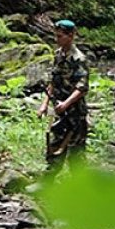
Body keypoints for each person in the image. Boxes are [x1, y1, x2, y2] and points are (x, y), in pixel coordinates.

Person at [37, 19, 89, 176]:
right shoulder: (58, 55)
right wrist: (44, 104)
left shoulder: (79, 59)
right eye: (56, 36)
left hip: (75, 113)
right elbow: (53, 81)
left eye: (60, 36)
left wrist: (66, 104)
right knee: (55, 145)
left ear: (71, 36)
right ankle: (47, 183)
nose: (56, 39)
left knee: (76, 153)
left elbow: (82, 88)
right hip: (60, 111)